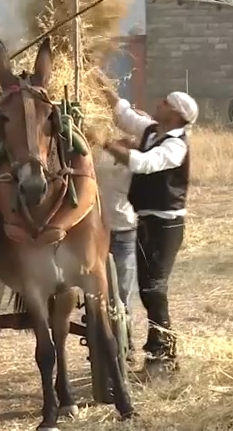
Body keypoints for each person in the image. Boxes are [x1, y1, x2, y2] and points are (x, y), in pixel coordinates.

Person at [101, 90, 198, 372]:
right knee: (147, 289)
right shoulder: (153, 131)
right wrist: (101, 84)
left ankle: (164, 355)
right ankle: (159, 354)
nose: (159, 103)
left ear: (176, 114)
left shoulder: (176, 145)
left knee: (154, 289)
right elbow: (124, 114)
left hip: (166, 225)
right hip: (145, 221)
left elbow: (142, 163)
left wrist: (103, 141)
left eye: (165, 102)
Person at [95, 140, 138, 361]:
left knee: (122, 293)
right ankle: (107, 341)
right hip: (98, 232)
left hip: (124, 231)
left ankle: (126, 343)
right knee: (99, 292)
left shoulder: (137, 160)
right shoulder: (98, 155)